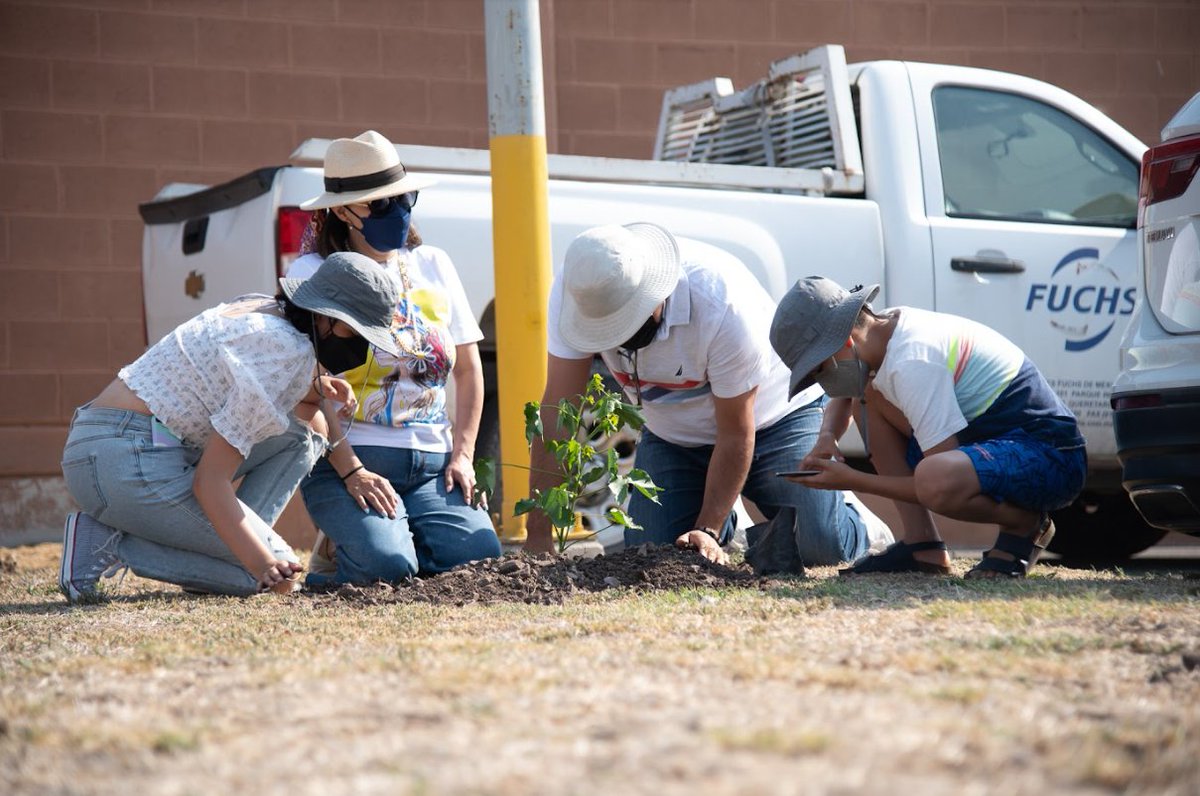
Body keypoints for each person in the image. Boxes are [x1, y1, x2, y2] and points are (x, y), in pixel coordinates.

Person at [527, 222, 891, 565]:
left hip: (774, 420)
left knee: (820, 546)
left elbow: (736, 433)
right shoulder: (582, 293)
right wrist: (538, 534)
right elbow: (557, 414)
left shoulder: (720, 302)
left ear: (657, 292)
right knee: (650, 553)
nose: (617, 340)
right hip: (675, 438)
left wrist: (706, 529)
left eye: (626, 324)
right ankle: (729, 513)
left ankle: (855, 522)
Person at [58, 252, 401, 602]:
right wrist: (262, 564)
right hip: (122, 460)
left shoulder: (265, 309)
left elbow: (249, 390)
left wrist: (313, 387)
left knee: (302, 436)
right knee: (276, 575)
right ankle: (111, 543)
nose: (361, 343)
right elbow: (210, 482)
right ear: (326, 316)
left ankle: (231, 555)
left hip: (120, 444)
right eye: (354, 328)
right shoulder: (286, 351)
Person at [288, 129, 501, 584]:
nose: (398, 212)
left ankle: (393, 534)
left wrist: (462, 456)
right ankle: (342, 552)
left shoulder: (434, 264)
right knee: (387, 569)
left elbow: (467, 368)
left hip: (433, 465)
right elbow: (306, 385)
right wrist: (352, 473)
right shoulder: (313, 274)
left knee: (479, 560)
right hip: (349, 458)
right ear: (342, 211)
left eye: (405, 198)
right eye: (380, 204)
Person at [769, 276, 1087, 578]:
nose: (823, 382)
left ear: (846, 341)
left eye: (820, 369)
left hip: (1052, 457)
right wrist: (827, 437)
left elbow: (938, 481)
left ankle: (1025, 523)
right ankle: (923, 547)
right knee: (867, 397)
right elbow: (848, 393)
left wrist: (852, 480)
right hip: (994, 444)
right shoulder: (885, 335)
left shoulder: (913, 361)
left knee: (935, 477)